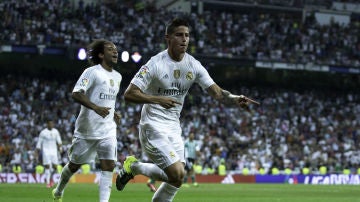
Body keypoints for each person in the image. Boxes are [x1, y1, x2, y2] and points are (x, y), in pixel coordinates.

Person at [116, 18, 259, 202]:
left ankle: (135, 169)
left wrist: (234, 99)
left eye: (187, 35)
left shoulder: (194, 65)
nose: (184, 39)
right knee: (176, 172)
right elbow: (129, 94)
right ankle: (134, 167)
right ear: (168, 38)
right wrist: (157, 99)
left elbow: (217, 93)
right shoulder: (155, 63)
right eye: (179, 35)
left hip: (173, 127)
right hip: (152, 125)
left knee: (177, 179)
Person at [52, 39, 122, 202]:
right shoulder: (92, 72)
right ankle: (59, 190)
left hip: (108, 129)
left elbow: (107, 101)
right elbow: (76, 93)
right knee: (74, 165)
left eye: (116, 49)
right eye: (110, 49)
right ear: (101, 54)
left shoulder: (118, 77)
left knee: (109, 165)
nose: (115, 51)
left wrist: (113, 112)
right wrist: (96, 107)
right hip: (87, 129)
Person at [35, 119, 62, 188]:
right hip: (46, 151)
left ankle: (51, 179)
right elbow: (39, 143)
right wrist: (36, 152)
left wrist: (60, 149)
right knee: (47, 166)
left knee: (55, 166)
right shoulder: (43, 132)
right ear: (47, 124)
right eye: (50, 124)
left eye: (52, 124)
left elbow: (59, 141)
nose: (51, 125)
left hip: (54, 151)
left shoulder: (56, 131)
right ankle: (48, 183)